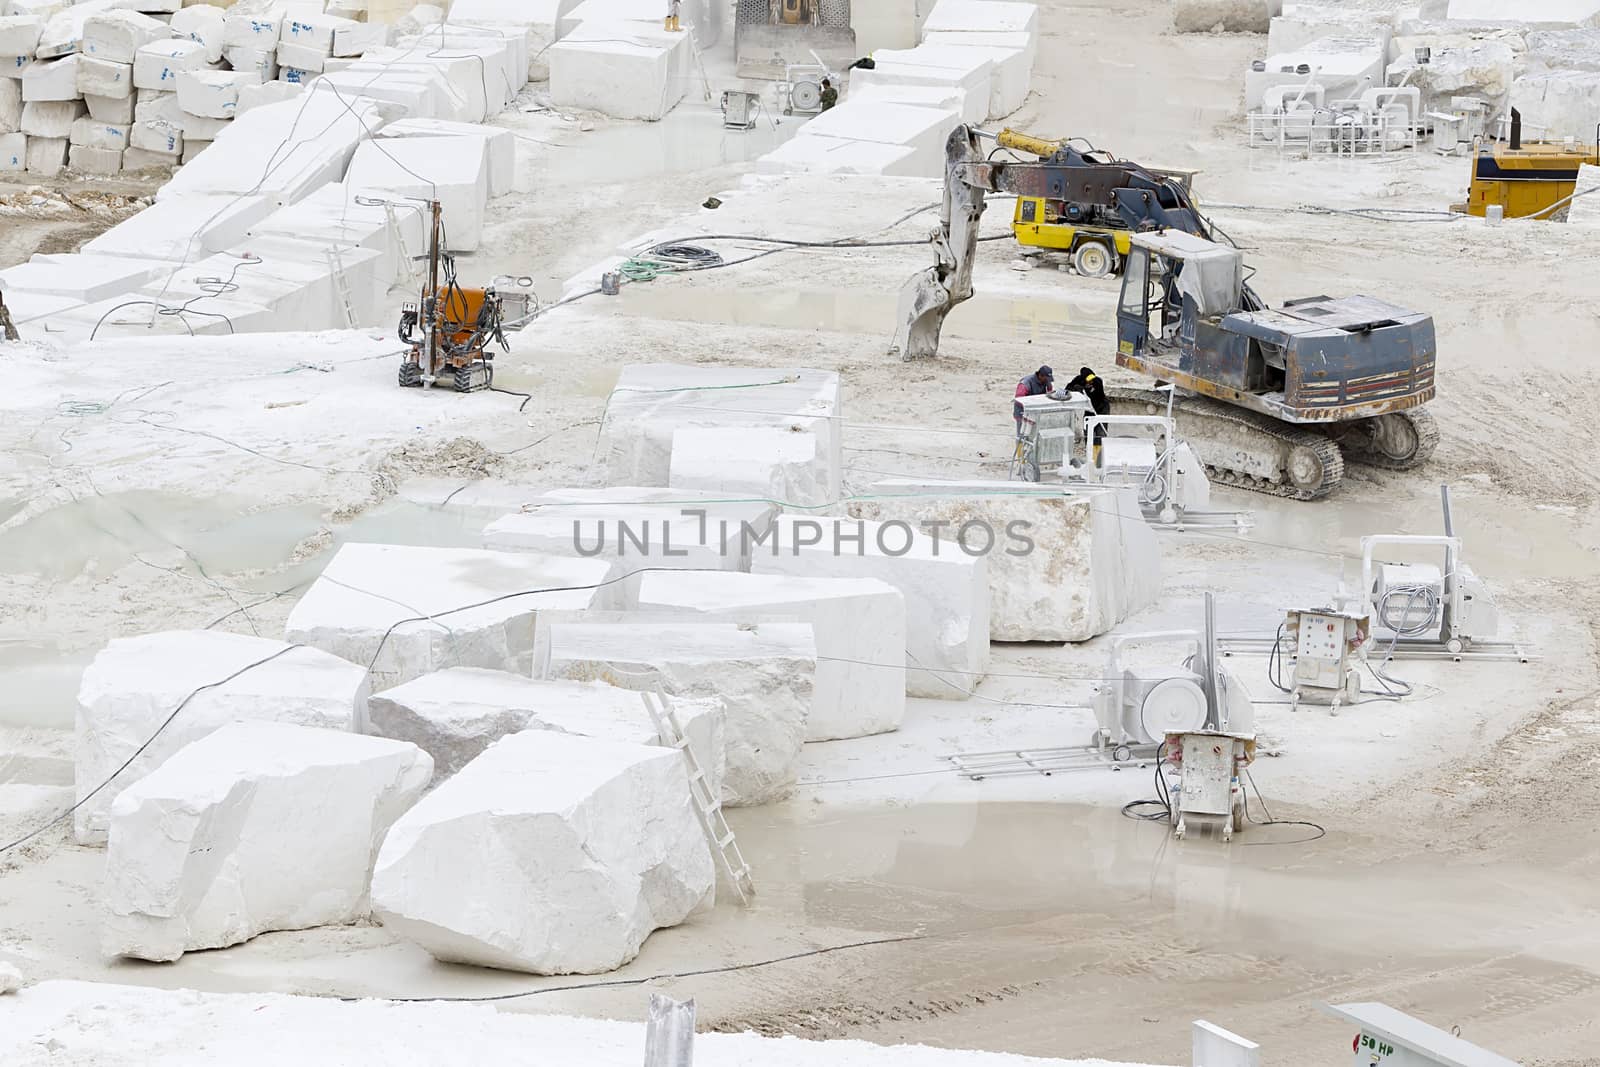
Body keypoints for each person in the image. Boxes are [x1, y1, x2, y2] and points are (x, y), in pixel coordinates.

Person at [1064, 366, 1111, 456]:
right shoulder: (1079, 380)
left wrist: (1085, 389)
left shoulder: (1098, 381)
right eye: (1088, 380)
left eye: (1091, 379)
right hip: (1089, 409)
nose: (1091, 381)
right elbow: (1068, 388)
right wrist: (1075, 388)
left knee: (1100, 433)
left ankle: (1098, 455)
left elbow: (1095, 394)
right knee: (1088, 432)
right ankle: (1089, 453)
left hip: (1101, 409)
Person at [1013, 364, 1054, 434]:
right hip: (1022, 411)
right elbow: (1019, 399)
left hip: (1035, 411)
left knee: (1034, 434)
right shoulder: (1025, 383)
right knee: (1022, 434)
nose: (1048, 381)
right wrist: (1031, 406)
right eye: (1046, 379)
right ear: (1040, 375)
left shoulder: (1046, 381)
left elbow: (1050, 392)